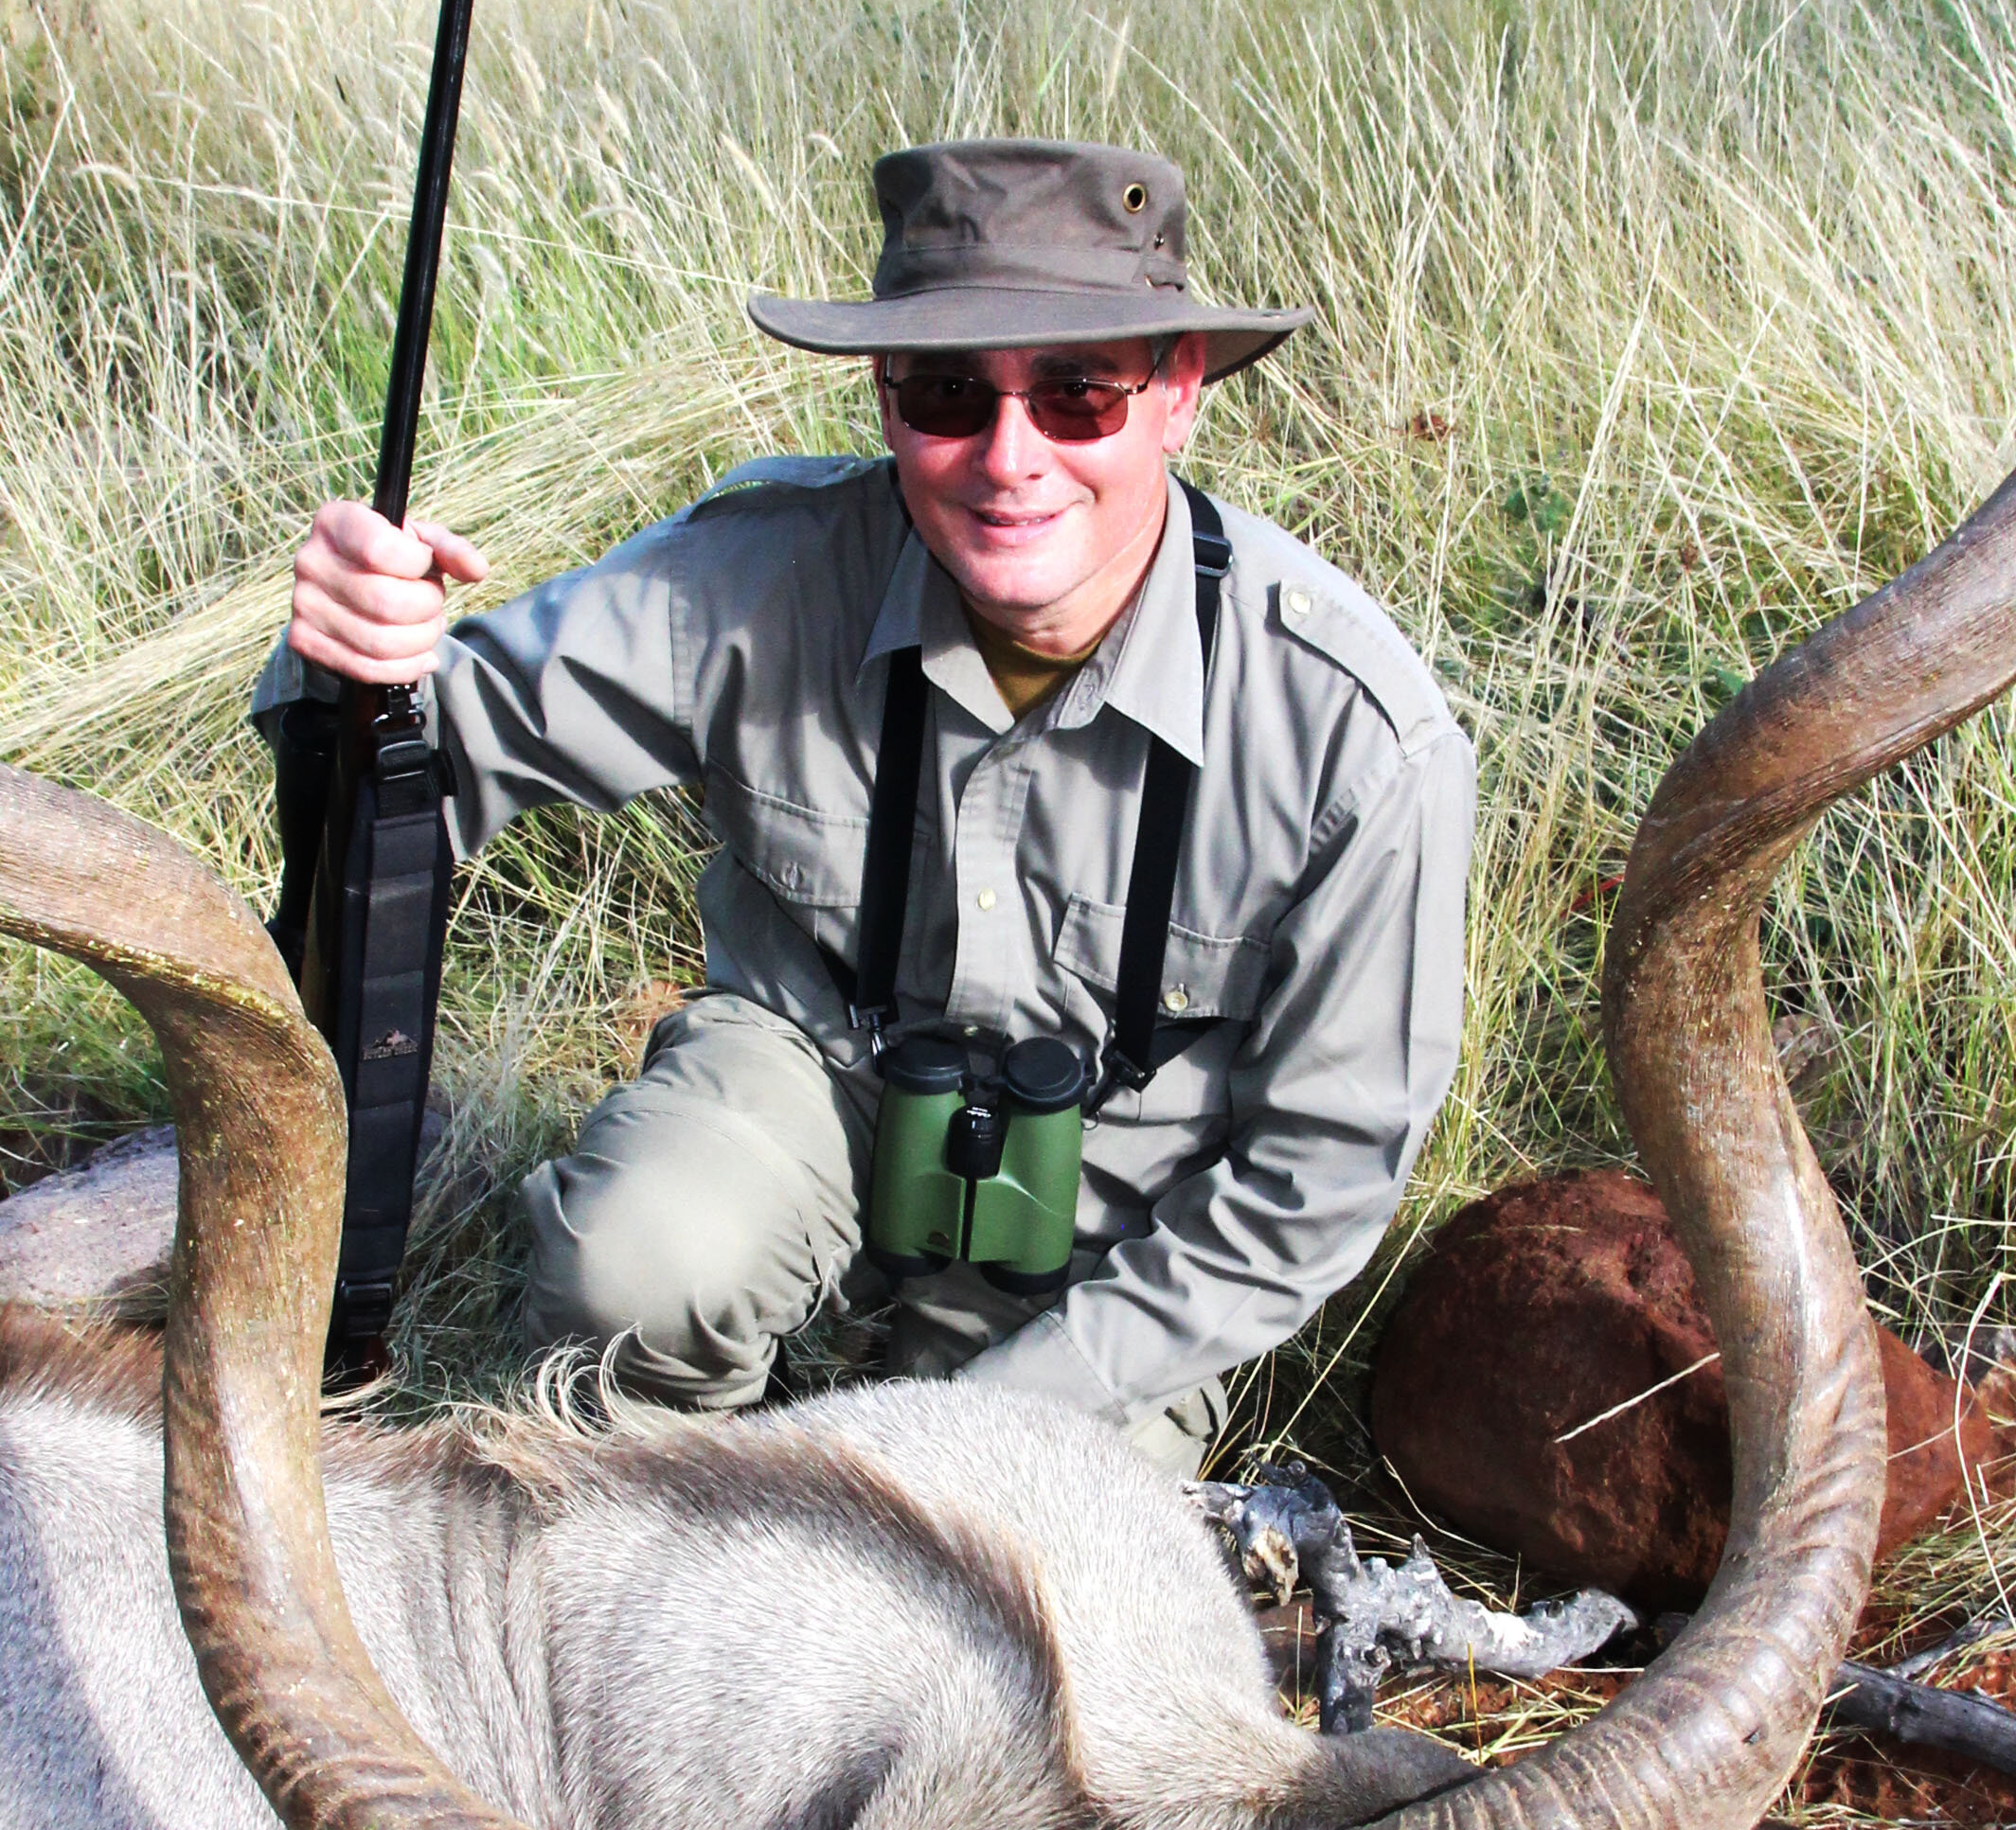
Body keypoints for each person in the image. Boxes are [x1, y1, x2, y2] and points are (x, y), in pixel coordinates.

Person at [263, 137, 1472, 1471]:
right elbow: (421, 766)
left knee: (1014, 1582)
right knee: (632, 1270)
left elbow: (1313, 1190)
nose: (1010, 459)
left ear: (1178, 392)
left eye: (1079, 395)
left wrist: (978, 1438)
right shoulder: (761, 575)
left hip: (1111, 1289)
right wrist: (356, 659)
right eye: (951, 394)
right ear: (886, 399)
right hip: (802, 1118)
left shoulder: (1357, 735)